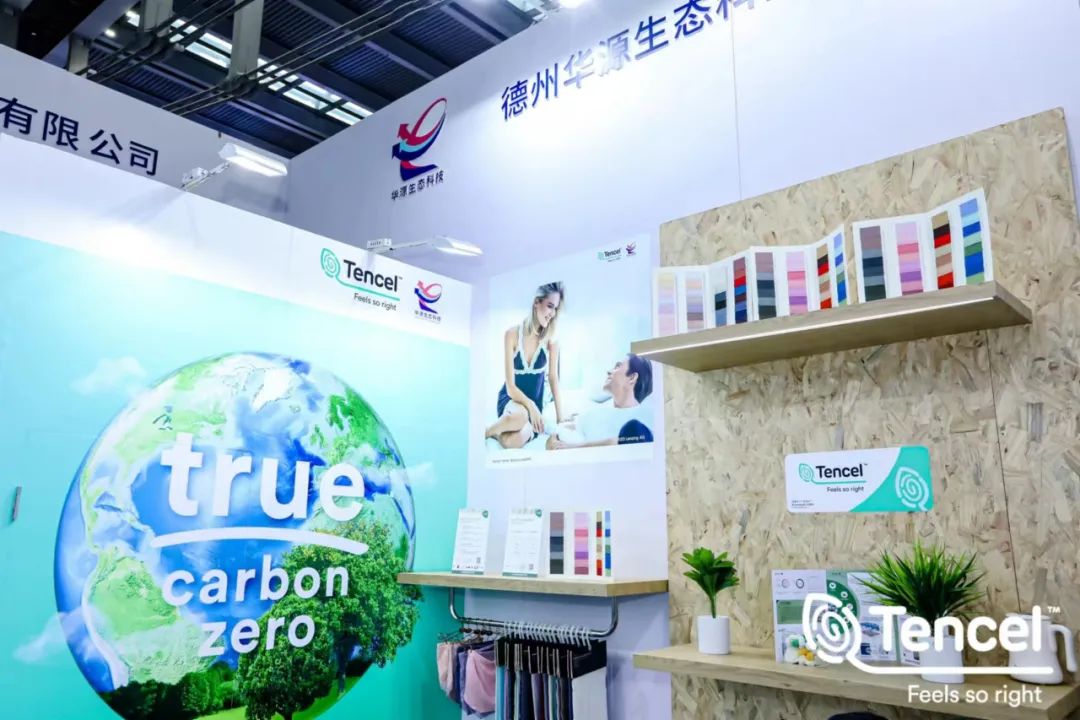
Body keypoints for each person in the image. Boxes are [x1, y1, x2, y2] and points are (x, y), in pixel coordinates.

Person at [484, 282, 566, 449]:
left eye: (555, 309)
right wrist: (530, 405)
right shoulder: (512, 335)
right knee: (520, 416)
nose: (552, 313)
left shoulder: (552, 340)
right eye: (550, 306)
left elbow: (553, 378)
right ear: (536, 302)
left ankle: (497, 432)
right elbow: (510, 387)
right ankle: (484, 432)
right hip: (512, 399)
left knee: (514, 441)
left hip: (534, 408)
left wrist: (561, 418)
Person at [547, 354, 654, 450]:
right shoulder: (592, 414)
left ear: (632, 377)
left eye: (618, 366)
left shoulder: (648, 417)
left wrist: (572, 448)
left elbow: (627, 442)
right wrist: (552, 441)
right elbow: (557, 435)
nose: (609, 371)